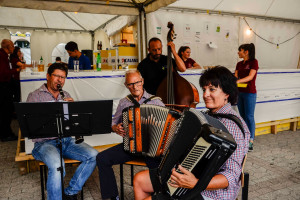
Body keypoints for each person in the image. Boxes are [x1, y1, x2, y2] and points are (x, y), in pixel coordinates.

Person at [133, 66, 250, 200]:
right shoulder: (205, 117)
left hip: (211, 193)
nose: (205, 95)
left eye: (212, 89)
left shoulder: (232, 126)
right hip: (188, 175)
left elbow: (231, 176)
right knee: (139, 180)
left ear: (227, 94)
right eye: (204, 89)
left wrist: (196, 183)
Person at [26, 63, 98, 200]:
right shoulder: (34, 96)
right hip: (44, 143)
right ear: (48, 76)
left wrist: (73, 111)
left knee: (93, 155)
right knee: (57, 165)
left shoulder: (66, 95)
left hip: (65, 140)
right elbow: (31, 125)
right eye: (57, 76)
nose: (60, 80)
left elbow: (71, 124)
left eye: (63, 77)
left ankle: (70, 192)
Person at [96, 70, 165, 200]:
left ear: (142, 81)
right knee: (102, 158)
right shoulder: (124, 102)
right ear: (126, 85)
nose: (135, 87)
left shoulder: (156, 102)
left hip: (152, 149)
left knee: (161, 168)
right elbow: (113, 122)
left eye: (137, 82)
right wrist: (115, 128)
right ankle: (111, 197)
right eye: (130, 84)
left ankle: (159, 195)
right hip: (131, 146)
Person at [234, 43, 258, 151]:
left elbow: (250, 76)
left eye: (240, 50)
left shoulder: (254, 62)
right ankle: (245, 138)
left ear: (246, 52)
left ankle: (251, 141)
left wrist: (238, 81)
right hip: (240, 93)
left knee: (249, 117)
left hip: (249, 93)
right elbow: (235, 76)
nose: (238, 52)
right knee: (242, 117)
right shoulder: (239, 64)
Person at [0, 39, 21, 142]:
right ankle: (5, 135)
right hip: (3, 86)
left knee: (6, 110)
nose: (13, 48)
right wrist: (16, 70)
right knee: (5, 110)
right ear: (7, 47)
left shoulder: (5, 56)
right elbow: (3, 72)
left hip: (5, 85)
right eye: (12, 46)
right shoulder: (1, 56)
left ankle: (6, 133)